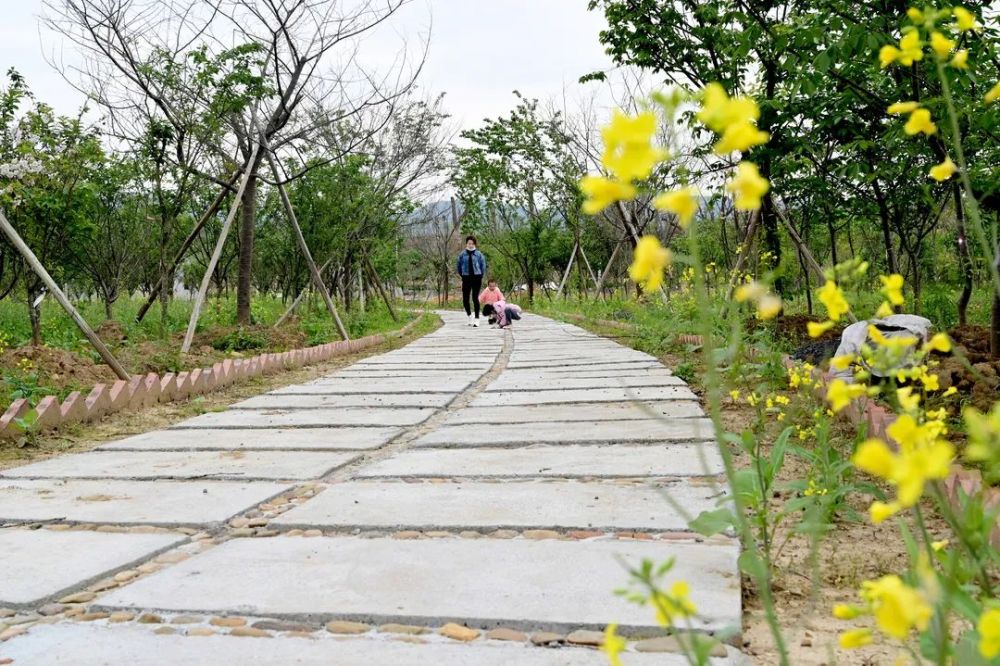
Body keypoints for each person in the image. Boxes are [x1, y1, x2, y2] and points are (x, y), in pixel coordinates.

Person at [456, 235, 487, 326]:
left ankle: (477, 318)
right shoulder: (462, 254)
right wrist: (462, 275)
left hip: (476, 277)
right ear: (466, 243)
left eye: (472, 243)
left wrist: (480, 275)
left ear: (474, 244)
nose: (470, 245)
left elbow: (483, 265)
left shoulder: (479, 254)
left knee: (475, 298)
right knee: (465, 299)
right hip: (466, 278)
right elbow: (458, 266)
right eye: (469, 243)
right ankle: (470, 316)